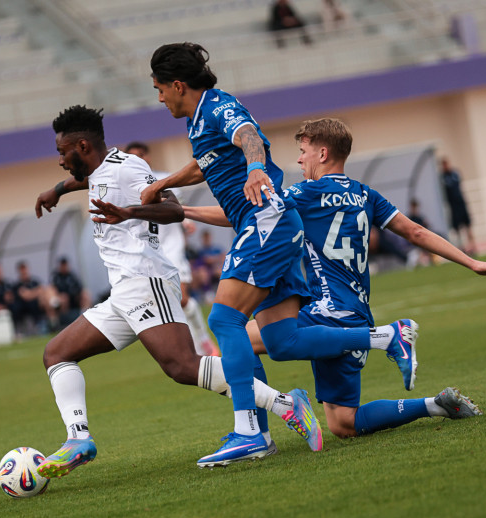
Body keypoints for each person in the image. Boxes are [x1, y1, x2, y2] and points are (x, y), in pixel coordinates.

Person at [144, 43, 419, 467]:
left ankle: (249, 432)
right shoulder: (199, 121)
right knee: (281, 341)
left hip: (265, 222)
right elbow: (203, 164)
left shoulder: (218, 106)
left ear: (178, 85)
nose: (160, 98)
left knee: (224, 320)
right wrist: (162, 185)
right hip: (269, 224)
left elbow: (249, 137)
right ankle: (384, 338)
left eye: (160, 89)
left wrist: (256, 167)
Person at [34, 105, 325, 476]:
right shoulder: (100, 171)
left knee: (183, 366)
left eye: (62, 152)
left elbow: (172, 209)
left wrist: (129, 213)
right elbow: (89, 181)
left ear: (83, 146)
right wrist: (57, 190)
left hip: (147, 282)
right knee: (57, 353)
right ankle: (78, 439)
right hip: (123, 292)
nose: (60, 160)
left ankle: (286, 404)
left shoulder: (128, 167)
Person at [190, 118, 486, 439]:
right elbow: (415, 232)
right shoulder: (365, 194)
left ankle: (257, 431)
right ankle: (436, 404)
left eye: (304, 151)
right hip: (356, 313)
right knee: (343, 423)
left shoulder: (305, 193)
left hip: (327, 311)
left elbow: (250, 212)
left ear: (322, 154)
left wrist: (185, 211)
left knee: (239, 338)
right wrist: (471, 262)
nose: (299, 159)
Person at [124, 141, 219, 357]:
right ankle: (195, 350)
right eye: (132, 157)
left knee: (182, 299)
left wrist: (187, 222)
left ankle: (203, 341)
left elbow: (179, 208)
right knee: (168, 304)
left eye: (141, 155)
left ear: (147, 157)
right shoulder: (126, 187)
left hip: (172, 246)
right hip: (147, 252)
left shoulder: (165, 179)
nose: (138, 160)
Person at [440, 157, 477, 255]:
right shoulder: (442, 177)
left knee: (468, 226)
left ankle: (473, 246)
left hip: (461, 203)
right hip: (453, 206)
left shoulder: (455, 174)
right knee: (457, 228)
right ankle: (462, 248)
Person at [10, 260, 49, 336]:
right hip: (25, 310)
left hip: (37, 308)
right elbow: (25, 296)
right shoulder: (17, 285)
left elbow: (42, 290)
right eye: (21, 269)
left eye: (24, 269)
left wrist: (31, 293)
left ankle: (49, 324)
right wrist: (35, 292)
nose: (23, 271)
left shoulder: (35, 281)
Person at [49, 257, 90, 327]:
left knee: (86, 294)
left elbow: (80, 288)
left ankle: (85, 317)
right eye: (62, 265)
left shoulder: (72, 275)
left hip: (74, 298)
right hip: (61, 301)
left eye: (65, 265)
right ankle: (62, 322)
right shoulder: (56, 277)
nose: (64, 267)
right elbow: (53, 290)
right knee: (64, 298)